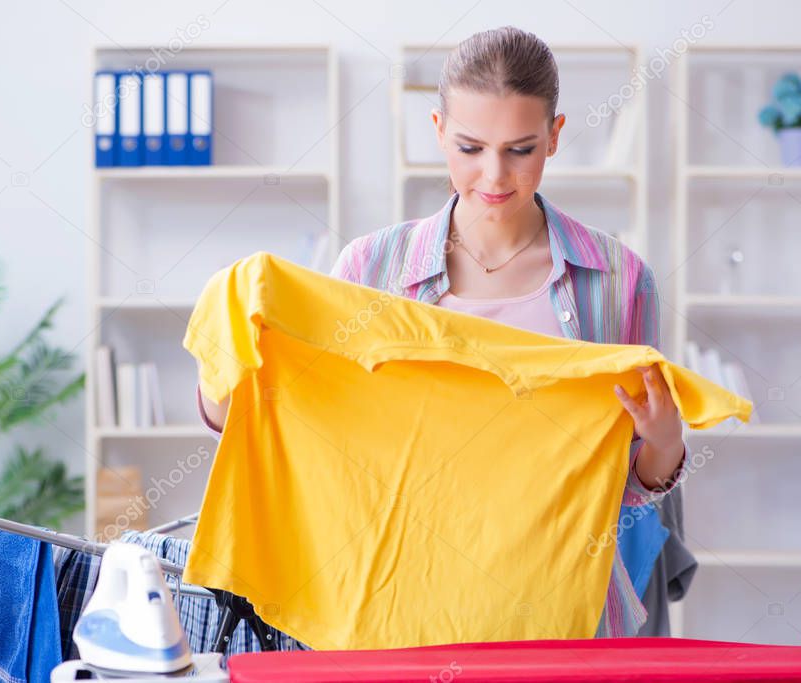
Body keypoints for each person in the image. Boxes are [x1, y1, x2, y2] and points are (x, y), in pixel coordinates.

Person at [197, 25, 687, 638]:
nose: (494, 176)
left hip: (565, 619)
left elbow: (629, 491)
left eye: (521, 149)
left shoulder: (619, 281)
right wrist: (225, 379)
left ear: (555, 137)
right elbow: (313, 434)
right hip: (401, 609)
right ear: (436, 131)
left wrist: (664, 443)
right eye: (470, 147)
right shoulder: (367, 269)